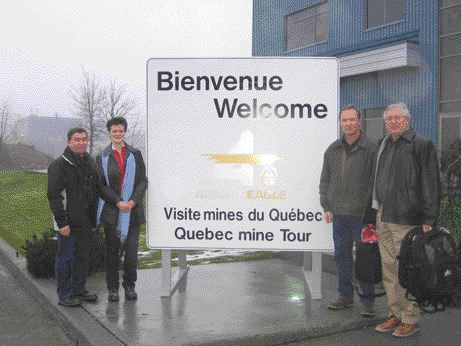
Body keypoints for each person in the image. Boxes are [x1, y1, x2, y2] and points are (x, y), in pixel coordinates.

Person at [372, 102, 440, 337]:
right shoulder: (384, 144)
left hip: (407, 218)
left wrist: (429, 217)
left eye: (397, 118)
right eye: (389, 118)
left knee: (407, 270)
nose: (393, 122)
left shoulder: (421, 144)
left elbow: (431, 183)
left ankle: (410, 316)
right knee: (388, 268)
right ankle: (395, 313)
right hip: (384, 214)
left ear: (408, 120)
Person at [319, 105, 377, 317]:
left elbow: (375, 183)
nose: (348, 123)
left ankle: (368, 301)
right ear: (340, 122)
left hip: (362, 215)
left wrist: (372, 212)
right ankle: (345, 296)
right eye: (345, 120)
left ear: (359, 121)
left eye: (352, 120)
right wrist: (326, 205)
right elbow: (325, 180)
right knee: (341, 255)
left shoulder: (371, 148)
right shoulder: (332, 149)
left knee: (366, 257)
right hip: (339, 214)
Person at [96, 117, 148, 302]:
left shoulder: (135, 154)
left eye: (121, 131)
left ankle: (129, 285)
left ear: (125, 132)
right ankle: (112, 288)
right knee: (112, 253)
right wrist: (118, 202)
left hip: (133, 212)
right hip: (113, 212)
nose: (118, 134)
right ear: (109, 132)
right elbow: (101, 185)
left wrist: (133, 200)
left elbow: (143, 181)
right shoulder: (102, 157)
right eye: (114, 131)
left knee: (132, 254)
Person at [47, 127, 99, 307]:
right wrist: (62, 223)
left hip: (85, 222)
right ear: (69, 141)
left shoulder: (89, 162)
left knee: (82, 258)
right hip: (68, 224)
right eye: (77, 139)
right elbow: (54, 196)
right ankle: (65, 294)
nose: (81, 142)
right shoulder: (59, 165)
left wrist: (93, 220)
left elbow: (92, 192)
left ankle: (79, 289)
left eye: (84, 139)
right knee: (65, 259)